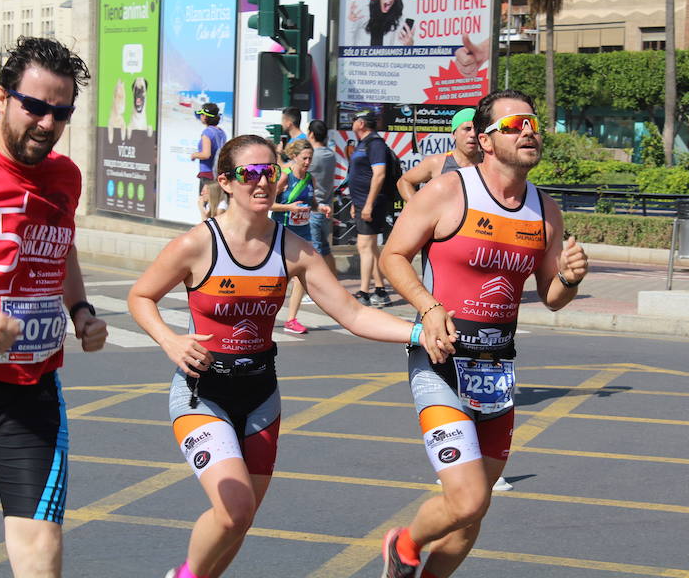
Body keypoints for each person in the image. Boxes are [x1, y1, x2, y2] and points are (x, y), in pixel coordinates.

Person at [126, 134, 452, 578]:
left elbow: (353, 313)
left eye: (270, 172)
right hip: (203, 394)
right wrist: (169, 340)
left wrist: (419, 332)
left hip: (261, 397)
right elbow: (141, 296)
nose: (262, 182)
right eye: (250, 174)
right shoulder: (197, 245)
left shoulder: (293, 250)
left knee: (239, 522)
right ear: (226, 181)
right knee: (234, 508)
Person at [377, 89, 589, 578]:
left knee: (475, 512)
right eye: (515, 125)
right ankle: (403, 544)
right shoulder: (450, 191)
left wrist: (571, 278)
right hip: (441, 359)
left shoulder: (545, 210)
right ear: (487, 140)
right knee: (467, 498)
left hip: (497, 368)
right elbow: (392, 255)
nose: (529, 131)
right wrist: (428, 307)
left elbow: (551, 296)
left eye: (532, 123)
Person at [0, 36, 108, 578]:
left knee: (40, 550)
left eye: (61, 112)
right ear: (3, 98)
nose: (47, 124)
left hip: (32, 388)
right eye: (35, 107)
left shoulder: (64, 177)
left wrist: (80, 309)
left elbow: (62, 244)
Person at [271, 139, 331, 334]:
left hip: (303, 231)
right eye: (304, 158)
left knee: (301, 275)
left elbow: (311, 202)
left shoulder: (309, 178)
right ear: (294, 156)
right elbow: (268, 204)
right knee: (279, 278)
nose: (307, 162)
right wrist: (289, 207)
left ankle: (291, 319)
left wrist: (320, 207)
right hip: (284, 230)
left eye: (310, 159)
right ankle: (262, 314)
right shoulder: (284, 177)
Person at [347, 109, 392, 308]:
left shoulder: (375, 144)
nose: (352, 123)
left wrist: (368, 204)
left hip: (371, 203)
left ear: (362, 123)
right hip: (361, 202)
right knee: (370, 247)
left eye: (354, 119)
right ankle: (381, 290)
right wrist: (356, 204)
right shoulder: (363, 144)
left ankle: (364, 292)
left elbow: (379, 174)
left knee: (364, 247)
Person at [397, 108, 481, 202]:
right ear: (454, 134)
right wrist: (419, 209)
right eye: (467, 129)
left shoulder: (490, 162)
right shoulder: (437, 163)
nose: (473, 134)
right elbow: (404, 182)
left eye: (477, 129)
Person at [307, 119, 338, 276]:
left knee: (315, 253)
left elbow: (292, 168)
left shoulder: (313, 157)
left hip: (315, 209)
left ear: (311, 134)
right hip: (326, 208)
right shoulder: (330, 155)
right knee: (325, 249)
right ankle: (334, 283)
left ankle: (316, 289)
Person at [347, 0, 414, 46]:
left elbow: (400, 51)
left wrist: (409, 46)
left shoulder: (397, 20)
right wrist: (351, 22)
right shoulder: (363, 13)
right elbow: (348, 45)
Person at [190, 102, 227, 194]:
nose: (201, 116)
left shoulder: (207, 132)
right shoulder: (221, 132)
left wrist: (194, 155)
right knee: (215, 203)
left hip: (207, 174)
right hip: (218, 172)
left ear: (205, 116)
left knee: (205, 203)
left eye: (202, 114)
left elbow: (206, 154)